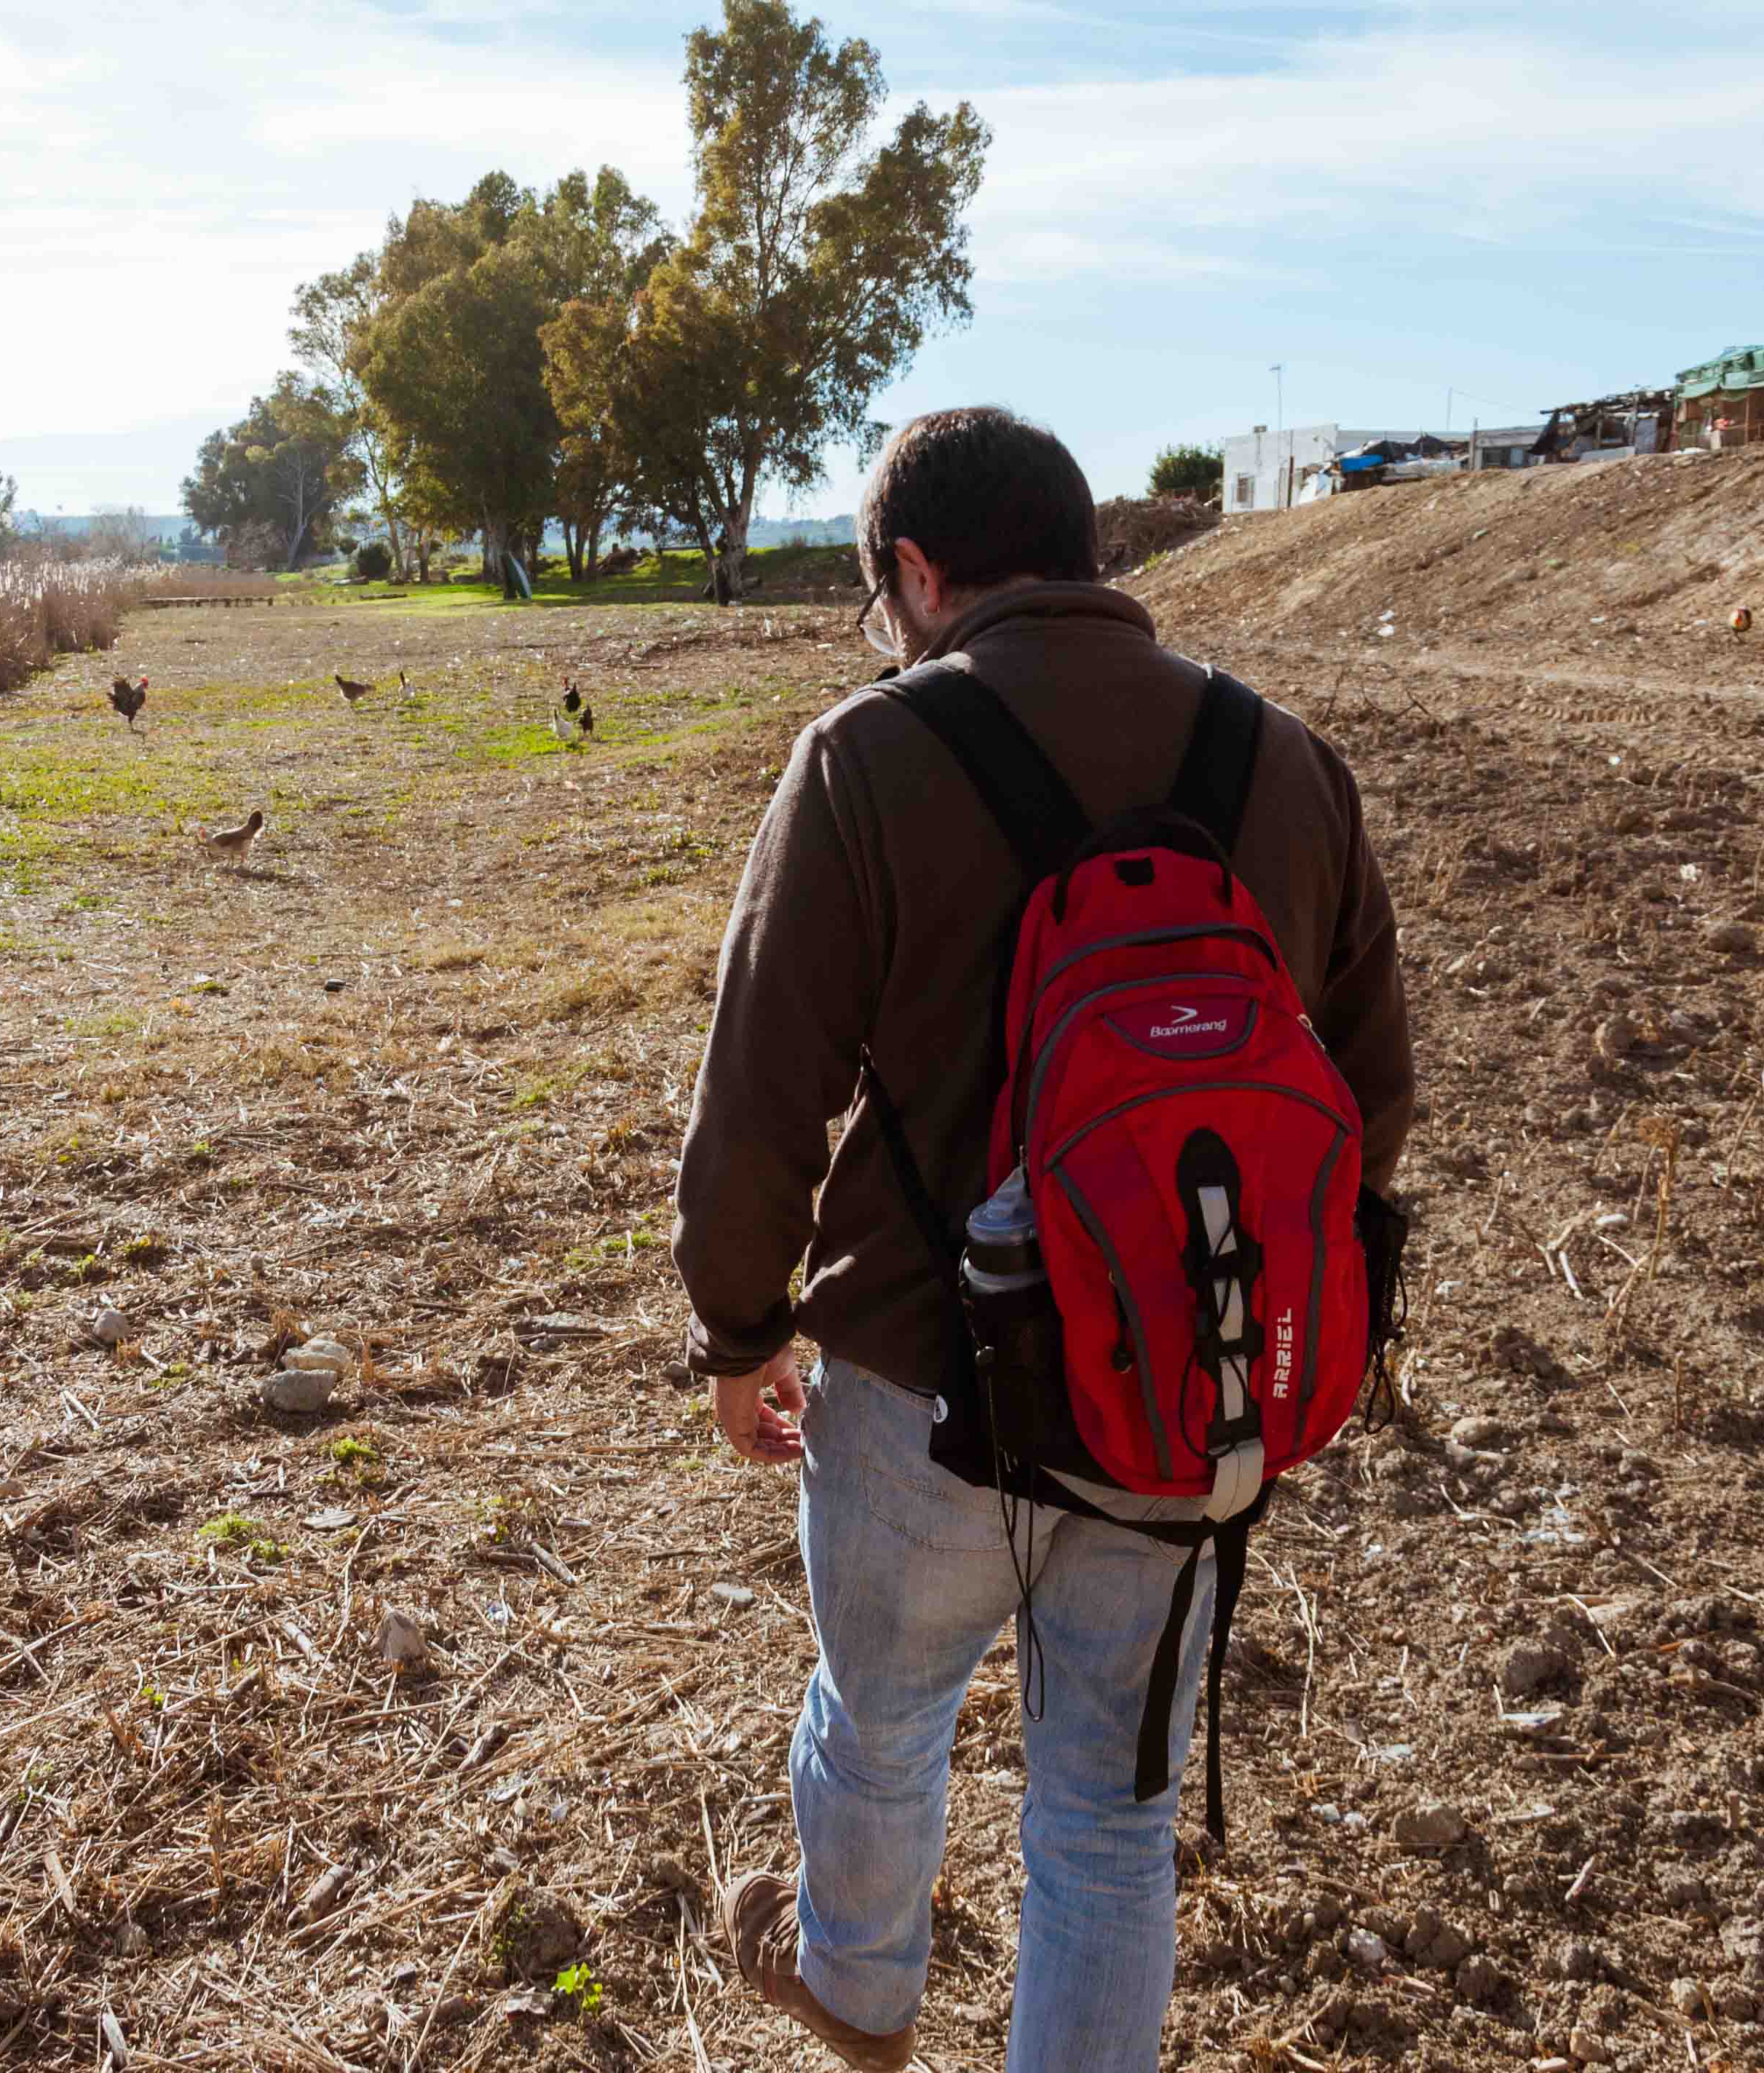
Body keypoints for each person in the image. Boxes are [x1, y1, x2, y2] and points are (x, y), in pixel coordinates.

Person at [672, 406, 1415, 2073]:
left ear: (915, 574)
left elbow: (761, 1095)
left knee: (877, 1725)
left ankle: (855, 1987)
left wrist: (737, 1329)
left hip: (913, 1392)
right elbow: (1370, 1100)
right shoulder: (1284, 763)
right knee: (1106, 1816)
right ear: (1083, 551)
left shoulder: (862, 759)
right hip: (1174, 1395)